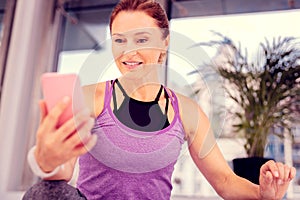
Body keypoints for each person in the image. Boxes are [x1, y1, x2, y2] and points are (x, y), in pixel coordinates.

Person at [23, 0, 296, 199]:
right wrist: (46, 160)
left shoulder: (187, 112)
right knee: (44, 192)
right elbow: (61, 173)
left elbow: (225, 181)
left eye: (141, 39)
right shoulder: (89, 97)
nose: (129, 52)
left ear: (164, 43)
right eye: (120, 41)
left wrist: (264, 194)